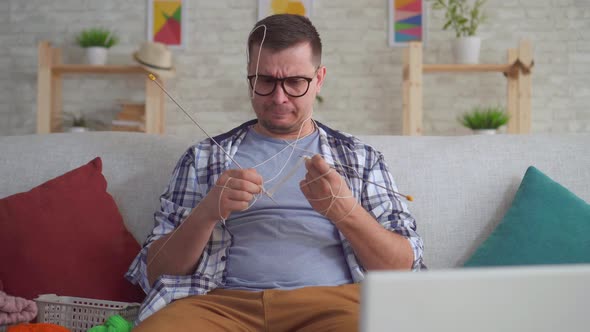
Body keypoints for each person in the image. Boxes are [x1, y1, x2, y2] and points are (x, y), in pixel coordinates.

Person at [127, 13, 425, 331]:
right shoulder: (203, 157)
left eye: (295, 82)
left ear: (319, 78)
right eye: (266, 81)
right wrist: (206, 213)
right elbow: (155, 271)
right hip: (220, 307)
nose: (279, 97)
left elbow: (403, 269)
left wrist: (347, 212)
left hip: (333, 307)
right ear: (249, 78)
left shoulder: (360, 159)